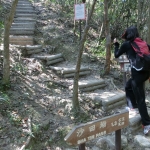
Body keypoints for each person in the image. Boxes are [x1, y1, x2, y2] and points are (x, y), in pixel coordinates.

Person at [113, 26, 150, 135]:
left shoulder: (127, 45)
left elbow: (116, 55)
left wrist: (116, 45)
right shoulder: (142, 43)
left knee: (141, 99)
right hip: (146, 73)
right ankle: (132, 106)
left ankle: (147, 124)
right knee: (128, 86)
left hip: (137, 75)